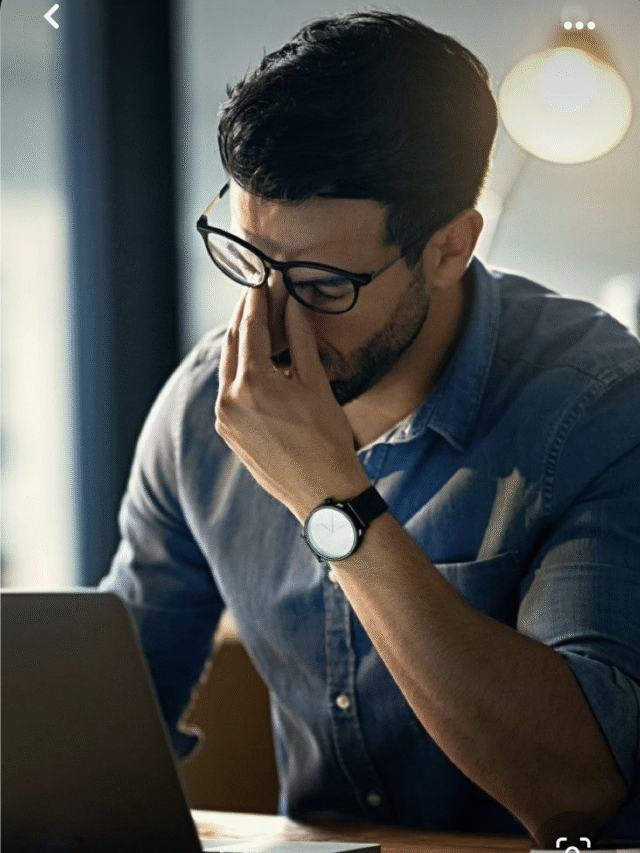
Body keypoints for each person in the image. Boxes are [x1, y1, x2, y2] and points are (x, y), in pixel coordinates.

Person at [98, 10, 640, 845]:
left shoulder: (595, 405)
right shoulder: (205, 406)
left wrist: (329, 497)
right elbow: (101, 722)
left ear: (450, 248)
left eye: (321, 283)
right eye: (250, 260)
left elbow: (580, 789)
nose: (271, 321)